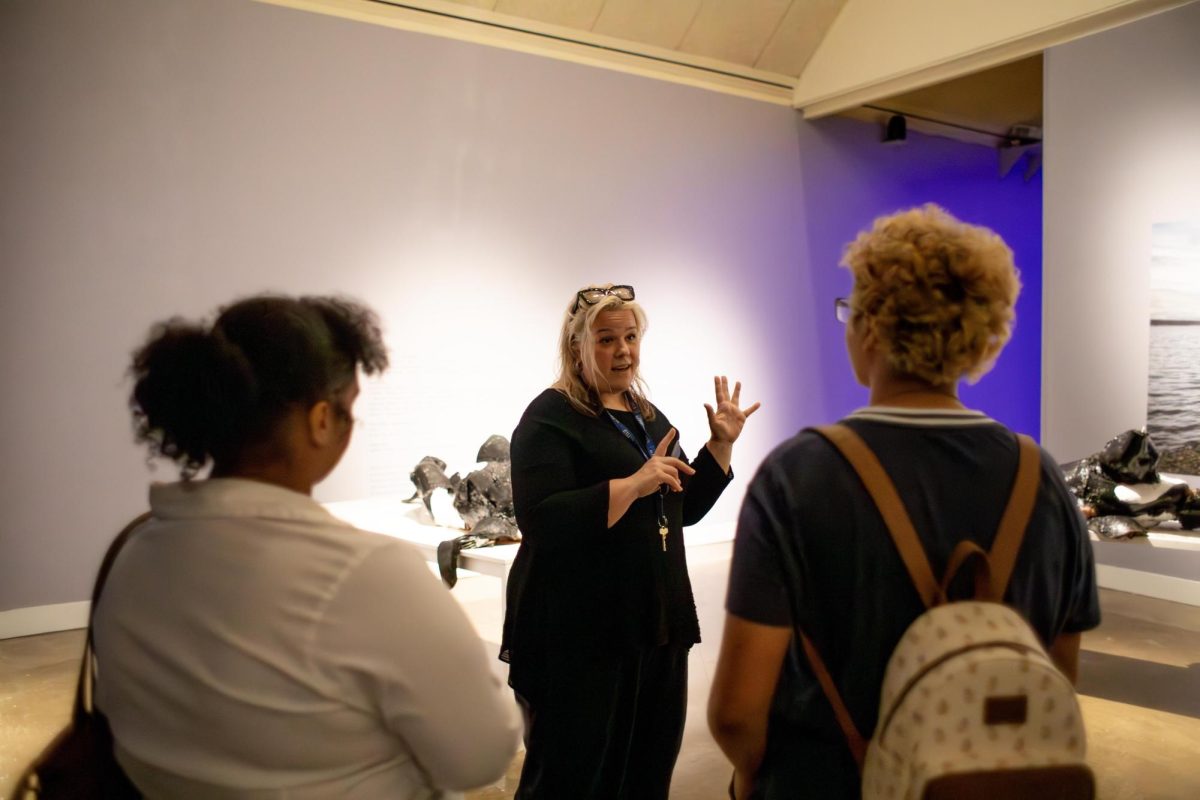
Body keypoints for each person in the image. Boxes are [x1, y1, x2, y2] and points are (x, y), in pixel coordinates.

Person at [707, 205, 1101, 799]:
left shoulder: (798, 477)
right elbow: (1056, 677)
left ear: (871, 328)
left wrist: (752, 782)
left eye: (852, 307)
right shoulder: (1040, 480)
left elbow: (737, 712)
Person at [93, 294, 521, 799]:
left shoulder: (133, 556)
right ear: (321, 420)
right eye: (349, 410)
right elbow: (483, 752)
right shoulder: (368, 575)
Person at [500, 283, 759, 799]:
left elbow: (682, 507)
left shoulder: (646, 414)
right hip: (579, 636)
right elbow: (542, 520)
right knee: (572, 780)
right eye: (606, 339)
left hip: (654, 623)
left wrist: (720, 446)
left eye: (631, 337)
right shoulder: (550, 417)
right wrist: (634, 484)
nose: (622, 351)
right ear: (576, 346)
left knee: (646, 773)